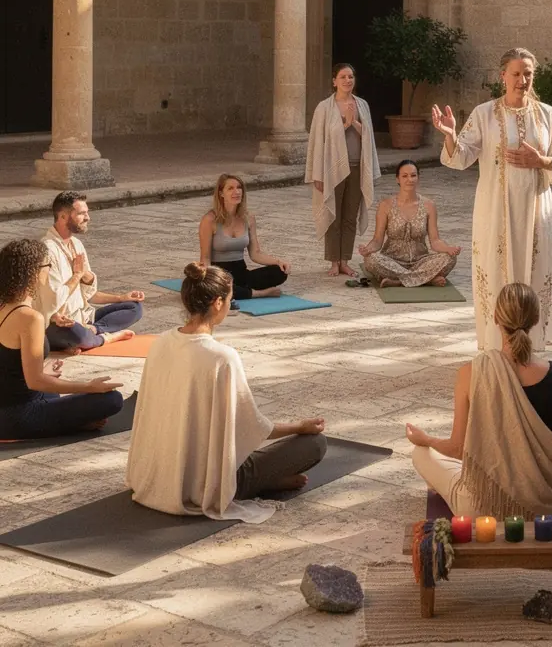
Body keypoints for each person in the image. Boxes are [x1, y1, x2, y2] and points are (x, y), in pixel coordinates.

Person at [126, 262, 327, 522]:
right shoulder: (222, 357)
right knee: (315, 444)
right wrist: (300, 426)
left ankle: (267, 480)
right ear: (218, 303)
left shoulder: (161, 342)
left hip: (156, 471)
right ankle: (262, 482)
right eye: (230, 300)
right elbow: (252, 427)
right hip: (204, 482)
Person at [406, 282, 552, 518]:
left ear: (496, 317)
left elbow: (457, 449)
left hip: (483, 508)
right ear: (536, 319)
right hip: (547, 511)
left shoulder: (470, 373)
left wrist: (425, 438)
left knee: (421, 452)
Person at [433, 47, 552, 351]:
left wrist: (542, 161)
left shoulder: (547, 114)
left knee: (533, 272)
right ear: (503, 76)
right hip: (494, 209)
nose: (522, 80)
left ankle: (530, 345)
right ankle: (497, 346)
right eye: (517, 74)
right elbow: (461, 156)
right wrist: (450, 134)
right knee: (496, 273)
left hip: (536, 210)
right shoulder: (484, 114)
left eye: (528, 74)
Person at [0, 239, 123, 440]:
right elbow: (35, 381)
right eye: (48, 265)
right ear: (33, 272)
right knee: (111, 400)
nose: (49, 270)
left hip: (9, 406)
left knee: (53, 390)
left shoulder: (4, 307)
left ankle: (75, 420)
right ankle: (77, 424)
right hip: (18, 416)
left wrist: (41, 370)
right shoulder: (30, 318)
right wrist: (89, 386)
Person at [39, 192, 145, 352]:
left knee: (134, 308)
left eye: (87, 212)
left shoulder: (76, 244)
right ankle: (104, 337)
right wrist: (77, 275)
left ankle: (93, 331)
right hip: (59, 323)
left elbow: (89, 295)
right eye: (81, 213)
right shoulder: (47, 250)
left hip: (83, 318)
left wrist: (120, 297)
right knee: (78, 335)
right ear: (62, 216)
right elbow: (53, 298)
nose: (87, 217)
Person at [306, 63, 381, 278]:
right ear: (334, 81)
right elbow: (317, 142)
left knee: (350, 216)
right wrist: (317, 175)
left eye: (351, 76)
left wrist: (354, 123)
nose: (348, 80)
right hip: (332, 169)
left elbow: (368, 136)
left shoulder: (362, 105)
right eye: (343, 77)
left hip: (357, 166)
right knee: (333, 215)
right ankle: (333, 261)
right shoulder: (324, 108)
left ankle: (345, 261)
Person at [359, 160, 461, 288]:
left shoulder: (429, 205)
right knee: (371, 260)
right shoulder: (386, 205)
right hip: (391, 261)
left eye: (413, 175)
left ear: (418, 178)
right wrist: (368, 249)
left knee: (449, 259)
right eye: (405, 176)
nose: (410, 179)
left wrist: (448, 249)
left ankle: (398, 281)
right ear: (397, 179)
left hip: (420, 261)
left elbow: (435, 241)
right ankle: (426, 280)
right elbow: (377, 240)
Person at [199, 175, 289, 305]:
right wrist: (209, 279)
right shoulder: (209, 220)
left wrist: (279, 262)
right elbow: (205, 257)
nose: (236, 192)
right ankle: (258, 294)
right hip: (219, 274)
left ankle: (239, 291)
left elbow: (255, 254)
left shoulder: (248, 218)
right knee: (209, 287)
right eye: (230, 188)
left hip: (241, 274)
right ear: (221, 193)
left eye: (239, 187)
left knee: (279, 272)